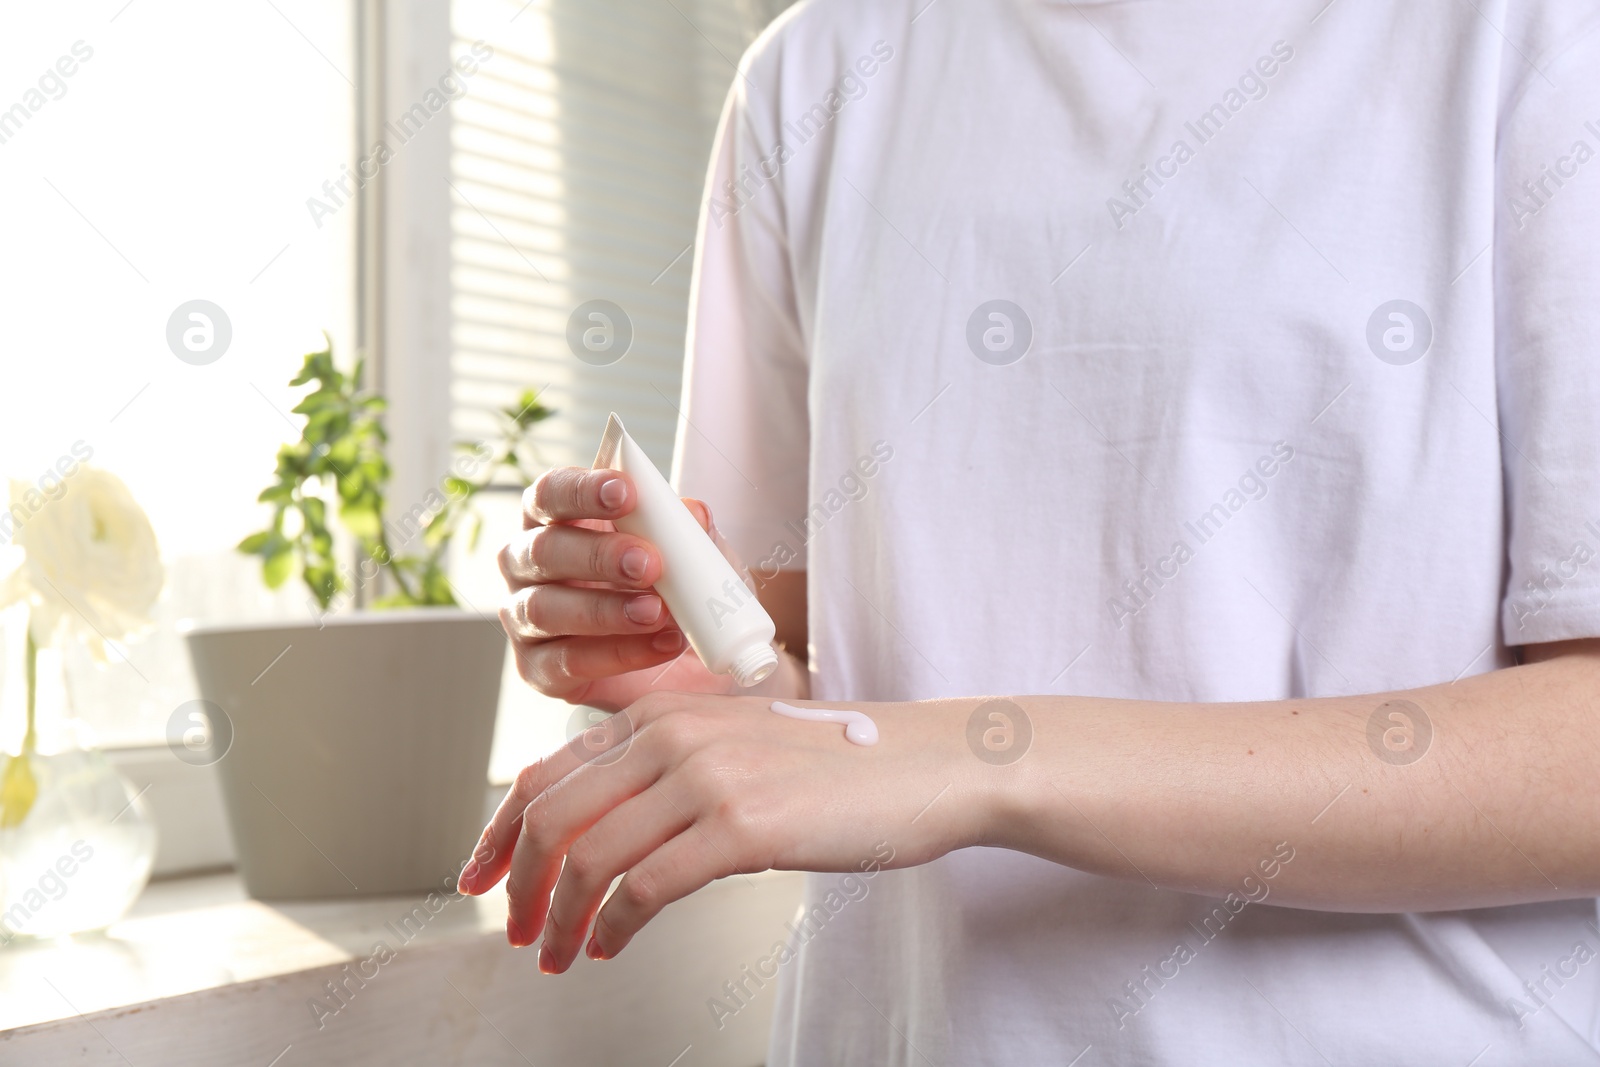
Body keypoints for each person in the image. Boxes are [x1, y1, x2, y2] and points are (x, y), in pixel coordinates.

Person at [456, 0, 1600, 1061]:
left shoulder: (1532, 36)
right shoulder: (814, 71)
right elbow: (795, 682)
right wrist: (684, 668)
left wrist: (977, 755)